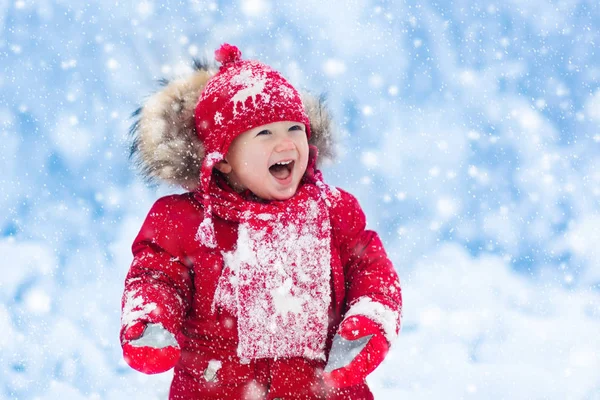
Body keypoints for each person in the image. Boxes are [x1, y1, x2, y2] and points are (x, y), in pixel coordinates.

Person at [120, 43, 402, 400]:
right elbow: (156, 276)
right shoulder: (184, 222)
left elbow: (372, 271)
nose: (285, 142)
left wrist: (368, 321)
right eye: (264, 133)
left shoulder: (333, 212)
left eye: (294, 128)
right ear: (222, 159)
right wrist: (152, 321)